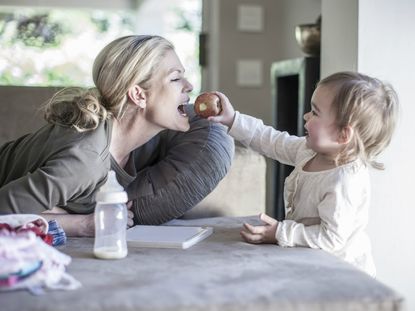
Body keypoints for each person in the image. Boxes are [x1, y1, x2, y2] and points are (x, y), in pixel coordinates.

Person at [0, 35, 234, 236]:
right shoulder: (85, 161)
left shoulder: (131, 142)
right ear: (139, 96)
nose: (190, 85)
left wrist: (53, 212)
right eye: (175, 78)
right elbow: (3, 212)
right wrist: (83, 224)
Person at [209, 71, 399, 276]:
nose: (306, 115)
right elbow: (270, 140)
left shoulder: (344, 181)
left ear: (343, 134)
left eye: (315, 112)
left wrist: (280, 232)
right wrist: (232, 119)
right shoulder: (308, 151)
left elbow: (331, 239)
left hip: (342, 274)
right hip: (310, 260)